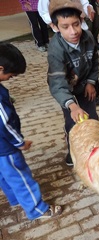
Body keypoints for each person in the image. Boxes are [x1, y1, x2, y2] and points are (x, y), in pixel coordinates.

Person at [0, 43, 62, 220]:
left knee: (5, 176)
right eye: (10, 76)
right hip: (6, 148)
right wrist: (19, 142)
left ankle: (15, 200)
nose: (10, 79)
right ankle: (38, 209)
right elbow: (4, 123)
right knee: (21, 177)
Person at [47, 0, 99, 166]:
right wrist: (72, 105)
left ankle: (94, 148)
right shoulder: (55, 50)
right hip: (66, 91)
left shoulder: (89, 38)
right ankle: (73, 153)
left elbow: (95, 62)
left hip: (85, 86)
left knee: (92, 118)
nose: (73, 31)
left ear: (82, 20)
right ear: (55, 27)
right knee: (73, 122)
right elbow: (57, 83)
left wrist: (91, 82)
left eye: (76, 24)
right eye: (65, 26)